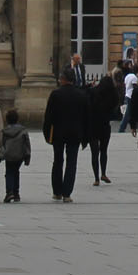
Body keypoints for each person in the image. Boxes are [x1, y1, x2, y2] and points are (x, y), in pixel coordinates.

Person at [42, 72, 90, 202]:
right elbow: (86, 118)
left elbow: (49, 117)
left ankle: (57, 191)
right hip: (75, 133)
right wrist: (86, 138)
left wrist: (47, 134)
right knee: (71, 162)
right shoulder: (81, 95)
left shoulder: (56, 94)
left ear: (63, 80)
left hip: (58, 133)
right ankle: (67, 193)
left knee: (57, 161)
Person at [87, 73, 119, 186]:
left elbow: (87, 106)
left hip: (93, 125)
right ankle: (104, 173)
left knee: (94, 152)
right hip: (105, 125)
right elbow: (115, 111)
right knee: (104, 151)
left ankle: (96, 178)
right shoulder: (112, 94)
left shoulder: (93, 92)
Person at [0, 108, 30, 202]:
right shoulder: (23, 130)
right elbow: (27, 144)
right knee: (16, 172)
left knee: (9, 173)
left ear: (7, 120)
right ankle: (16, 193)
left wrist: (0, 156)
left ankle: (9, 192)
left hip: (9, 155)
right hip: (19, 155)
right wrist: (27, 156)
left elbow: (3, 145)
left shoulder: (5, 132)